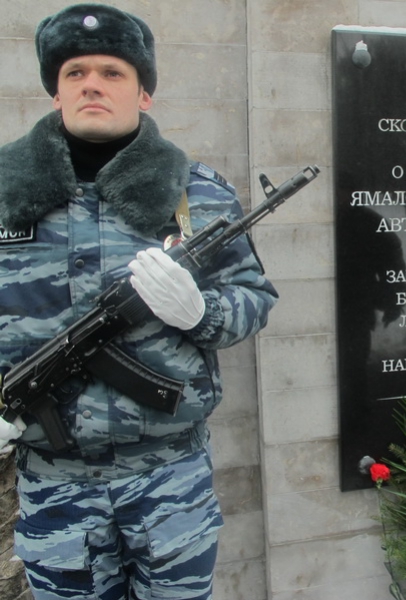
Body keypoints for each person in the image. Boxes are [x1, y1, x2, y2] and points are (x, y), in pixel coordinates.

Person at [0, 4, 278, 599]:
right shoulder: (4, 193)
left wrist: (202, 312)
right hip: (54, 491)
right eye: (75, 73)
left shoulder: (196, 193)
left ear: (144, 93)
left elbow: (254, 299)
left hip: (170, 483)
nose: (92, 85)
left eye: (112, 72)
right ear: (55, 92)